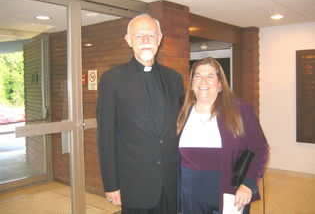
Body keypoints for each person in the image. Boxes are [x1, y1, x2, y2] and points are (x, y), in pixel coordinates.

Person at [96, 14, 184, 214]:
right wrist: (111, 184)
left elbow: (179, 127)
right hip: (134, 184)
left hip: (169, 183)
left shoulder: (174, 78)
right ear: (129, 40)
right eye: (139, 36)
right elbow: (105, 137)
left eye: (151, 35)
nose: (146, 41)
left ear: (159, 38)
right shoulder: (112, 80)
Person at [177, 57, 269, 214]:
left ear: (220, 84)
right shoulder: (181, 114)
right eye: (198, 76)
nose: (203, 81)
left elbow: (260, 149)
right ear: (192, 83)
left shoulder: (240, 110)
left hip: (229, 193)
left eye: (210, 76)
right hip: (189, 197)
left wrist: (247, 184)